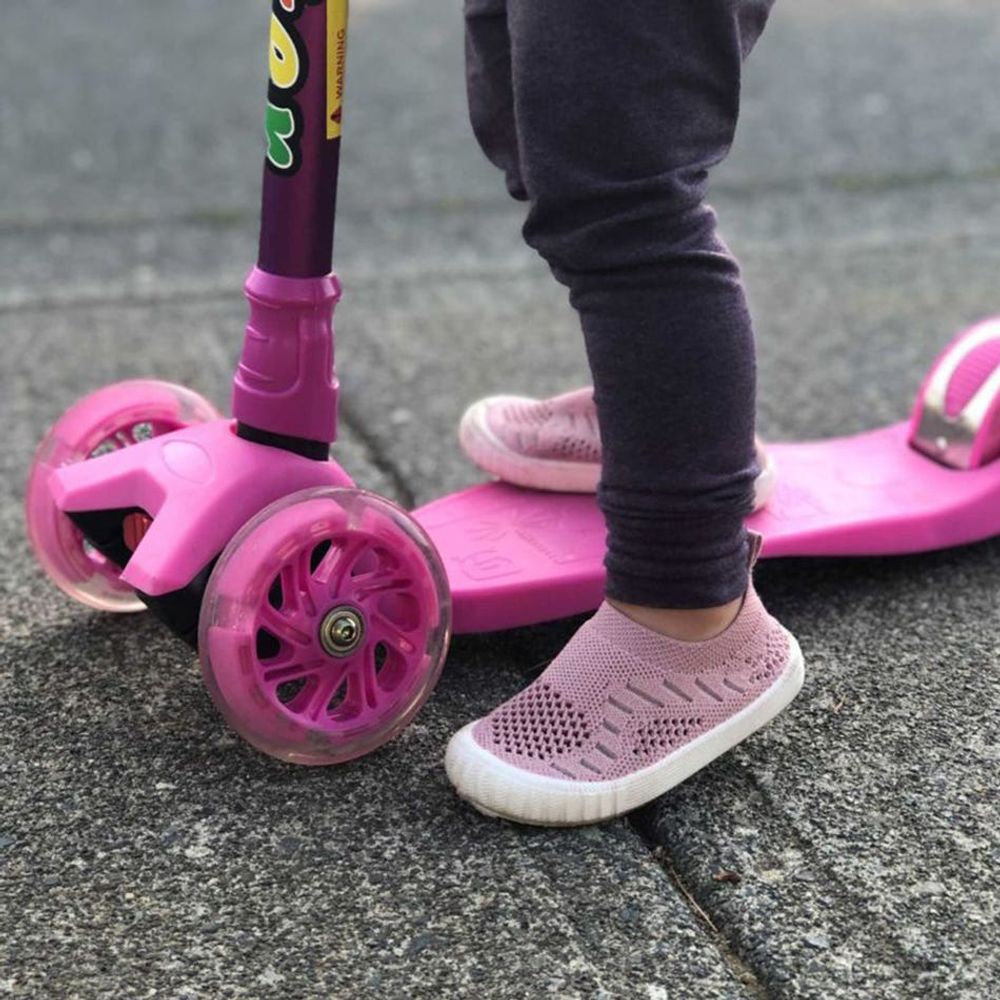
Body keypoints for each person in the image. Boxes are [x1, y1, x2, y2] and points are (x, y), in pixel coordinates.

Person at [443, 0, 804, 825]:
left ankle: (690, 613)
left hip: (686, 612)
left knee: (619, 176)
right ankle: (664, 431)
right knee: (540, 124)